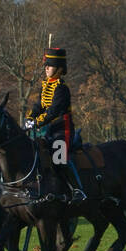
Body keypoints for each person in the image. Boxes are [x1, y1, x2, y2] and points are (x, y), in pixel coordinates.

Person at [25, 46, 85, 201]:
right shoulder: (45, 86)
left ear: (58, 69)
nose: (46, 68)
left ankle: (77, 189)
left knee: (59, 158)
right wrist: (30, 118)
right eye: (45, 65)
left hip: (62, 130)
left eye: (49, 65)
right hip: (47, 130)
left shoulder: (62, 89)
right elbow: (39, 106)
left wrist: (36, 122)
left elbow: (53, 111)